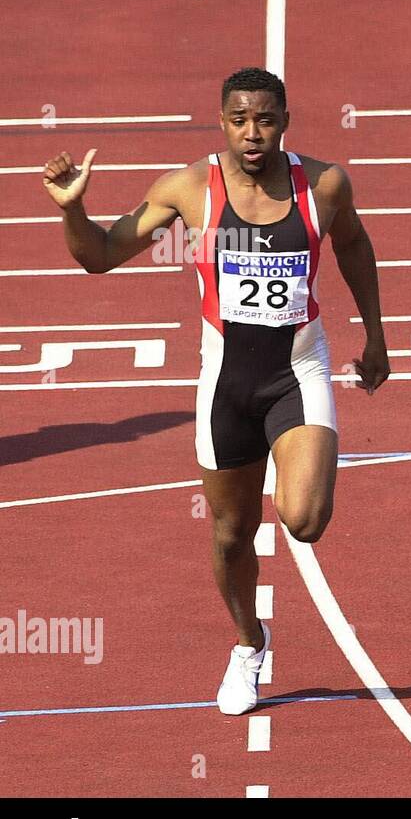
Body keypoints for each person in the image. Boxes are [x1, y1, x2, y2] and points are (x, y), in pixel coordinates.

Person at [42, 67, 390, 712]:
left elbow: (355, 245)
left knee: (304, 519)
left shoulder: (325, 185)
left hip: (298, 373)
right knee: (232, 534)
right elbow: (99, 255)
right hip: (225, 386)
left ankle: (292, 483)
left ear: (285, 123)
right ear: (222, 122)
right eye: (239, 120)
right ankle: (249, 644)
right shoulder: (188, 189)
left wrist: (375, 335)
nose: (252, 134)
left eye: (265, 120)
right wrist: (73, 208)